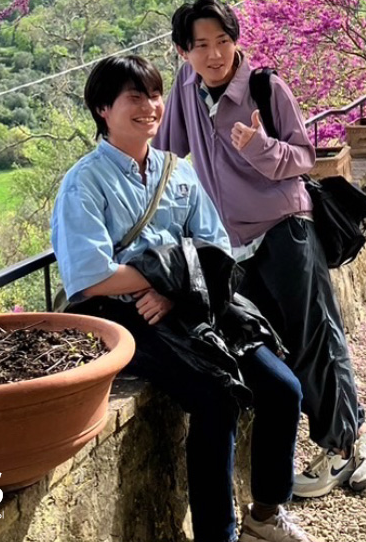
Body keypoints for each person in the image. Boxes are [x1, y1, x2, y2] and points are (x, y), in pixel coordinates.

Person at [51, 54, 315, 542]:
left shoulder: (178, 173)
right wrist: (166, 278)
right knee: (216, 397)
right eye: (135, 98)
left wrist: (173, 288)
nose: (150, 107)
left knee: (283, 387)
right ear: (102, 109)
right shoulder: (83, 184)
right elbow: (89, 278)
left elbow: (214, 249)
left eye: (155, 95)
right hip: (125, 316)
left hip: (186, 303)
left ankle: (266, 510)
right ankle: (219, 534)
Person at [155, 0, 366, 498]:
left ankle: (343, 442)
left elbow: (305, 157)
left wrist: (258, 147)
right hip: (232, 241)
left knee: (313, 335)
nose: (215, 54)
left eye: (223, 40)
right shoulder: (186, 87)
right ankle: (358, 434)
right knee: (277, 345)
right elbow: (169, 152)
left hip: (285, 228)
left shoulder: (266, 87)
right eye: (201, 45)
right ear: (183, 52)